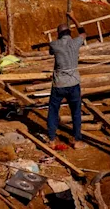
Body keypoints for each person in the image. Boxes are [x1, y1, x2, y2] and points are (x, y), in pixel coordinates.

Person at [46, 12, 86, 150]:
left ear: (58, 34)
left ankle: (51, 140)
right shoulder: (75, 43)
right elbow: (82, 32)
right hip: (74, 83)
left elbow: (51, 52)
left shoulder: (54, 44)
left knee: (53, 110)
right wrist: (73, 17)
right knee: (76, 111)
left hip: (59, 84)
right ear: (69, 32)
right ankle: (76, 140)